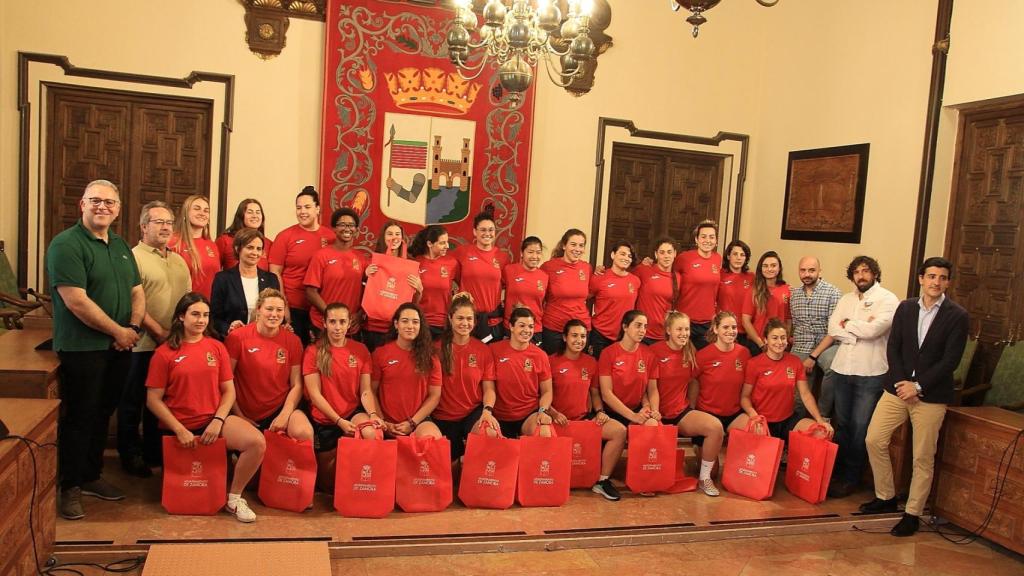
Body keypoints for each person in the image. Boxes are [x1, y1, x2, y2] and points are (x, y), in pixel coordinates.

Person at [47, 179, 144, 520]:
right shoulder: (65, 245)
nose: (103, 207)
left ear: (118, 209)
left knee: (104, 412)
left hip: (119, 346)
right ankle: (69, 486)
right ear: (82, 205)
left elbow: (136, 291)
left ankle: (91, 475)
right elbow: (77, 301)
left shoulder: (118, 245)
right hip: (83, 348)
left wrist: (131, 328)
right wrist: (119, 331)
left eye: (109, 203)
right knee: (80, 417)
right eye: (96, 201)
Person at [861, 257, 969, 537]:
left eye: (942, 277)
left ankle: (912, 513)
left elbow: (950, 361)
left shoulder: (957, 315)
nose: (936, 282)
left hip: (930, 395)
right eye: (931, 276)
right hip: (897, 389)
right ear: (921, 278)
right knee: (874, 439)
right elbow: (893, 347)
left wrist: (917, 386)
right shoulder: (906, 308)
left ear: (947, 282)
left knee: (922, 457)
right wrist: (902, 382)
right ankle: (885, 497)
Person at [145, 292, 266, 523]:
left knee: (256, 442)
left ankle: (234, 498)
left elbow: (229, 391)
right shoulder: (164, 353)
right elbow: (153, 399)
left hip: (213, 421)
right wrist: (179, 430)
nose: (201, 320)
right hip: (180, 427)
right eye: (195, 314)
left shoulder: (216, 347)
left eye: (206, 315)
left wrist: (218, 420)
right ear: (181, 316)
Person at [118, 201, 191, 479]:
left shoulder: (178, 259)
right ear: (144, 226)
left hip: (172, 345)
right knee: (132, 400)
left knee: (160, 401)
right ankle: (130, 454)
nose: (165, 227)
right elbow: (131, 300)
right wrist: (158, 330)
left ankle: (152, 450)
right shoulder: (133, 257)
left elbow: (187, 299)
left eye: (169, 222)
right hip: (143, 344)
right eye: (158, 222)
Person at [824, 255, 900, 498]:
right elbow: (832, 329)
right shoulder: (846, 299)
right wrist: (856, 327)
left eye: (866, 271)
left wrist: (849, 324)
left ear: (874, 273)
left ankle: (851, 478)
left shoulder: (888, 299)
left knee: (860, 428)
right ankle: (836, 474)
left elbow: (876, 330)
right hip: (843, 369)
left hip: (870, 373)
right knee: (843, 425)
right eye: (857, 272)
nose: (861, 275)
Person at [547, 319, 625, 501]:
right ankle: (547, 481)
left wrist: (600, 412)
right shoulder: (551, 361)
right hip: (556, 420)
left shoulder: (590, 362)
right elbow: (541, 396)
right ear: (565, 337)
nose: (579, 340)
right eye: (574, 335)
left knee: (619, 431)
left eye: (583, 336)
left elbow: (595, 393)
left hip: (583, 420)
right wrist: (553, 414)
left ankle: (603, 481)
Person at [302, 303, 377, 491]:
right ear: (324, 323)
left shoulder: (360, 350)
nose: (337, 327)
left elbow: (366, 391)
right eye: (333, 322)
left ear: (349, 323)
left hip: (352, 412)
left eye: (342, 322)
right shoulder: (313, 351)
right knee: (326, 485)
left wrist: (374, 414)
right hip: (326, 419)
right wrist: (338, 421)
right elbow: (314, 394)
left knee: (371, 433)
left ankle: (359, 486)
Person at [649, 311, 725, 496]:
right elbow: (648, 387)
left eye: (687, 329)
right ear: (668, 330)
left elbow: (693, 382)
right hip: (656, 412)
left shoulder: (690, 351)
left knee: (716, 428)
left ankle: (704, 478)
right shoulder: (654, 351)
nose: (684, 333)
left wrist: (689, 407)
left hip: (680, 413)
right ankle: (648, 478)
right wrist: (653, 411)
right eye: (679, 329)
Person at [224, 288, 313, 443]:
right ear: (258, 310)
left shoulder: (293, 341)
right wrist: (239, 415)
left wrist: (285, 414)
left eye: (279, 310)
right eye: (269, 309)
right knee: (256, 445)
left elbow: (297, 385)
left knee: (304, 432)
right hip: (243, 412)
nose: (274, 314)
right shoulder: (237, 337)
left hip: (279, 409)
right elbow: (226, 381)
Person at [730, 319, 834, 445]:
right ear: (766, 340)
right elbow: (744, 397)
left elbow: (805, 395)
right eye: (774, 338)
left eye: (783, 338)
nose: (779, 342)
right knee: (755, 439)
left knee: (821, 432)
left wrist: (820, 420)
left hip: (787, 420)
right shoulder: (754, 364)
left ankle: (789, 453)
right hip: (762, 420)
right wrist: (754, 416)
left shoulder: (795, 362)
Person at [433, 294, 498, 461]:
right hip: (443, 416)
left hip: (471, 413)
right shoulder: (436, 349)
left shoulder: (483, 350)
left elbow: (489, 388)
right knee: (452, 472)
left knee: (489, 433)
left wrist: (487, 411)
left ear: (475, 321)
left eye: (469, 318)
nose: (465, 323)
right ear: (450, 318)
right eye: (460, 318)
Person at [366, 303, 444, 438]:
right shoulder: (380, 354)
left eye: (415, 322)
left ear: (420, 326)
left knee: (433, 438)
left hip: (417, 422)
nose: (410, 326)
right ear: (396, 324)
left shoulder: (431, 357)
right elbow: (371, 391)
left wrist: (412, 423)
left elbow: (434, 396)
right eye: (405, 321)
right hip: (386, 422)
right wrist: (383, 421)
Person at [270, 186, 335, 346]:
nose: (302, 212)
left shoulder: (331, 237)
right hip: (293, 306)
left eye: (307, 207)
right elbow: (275, 272)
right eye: (298, 208)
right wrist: (282, 305)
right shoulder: (285, 236)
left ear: (317, 209)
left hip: (320, 308)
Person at [303, 206, 369, 343]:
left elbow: (372, 290)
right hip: (322, 325)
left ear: (356, 230)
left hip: (350, 327)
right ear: (334, 228)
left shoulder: (361, 258)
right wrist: (332, 315)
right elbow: (311, 292)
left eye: (351, 225)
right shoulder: (321, 256)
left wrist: (360, 314)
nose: (347, 228)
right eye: (342, 224)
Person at [691, 311, 751, 457]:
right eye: (726, 327)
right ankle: (699, 447)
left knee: (756, 428)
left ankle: (738, 467)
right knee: (711, 473)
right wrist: (692, 410)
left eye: (734, 327)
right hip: (708, 414)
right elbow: (693, 382)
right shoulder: (703, 355)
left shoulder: (744, 353)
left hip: (733, 415)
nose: (731, 331)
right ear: (716, 329)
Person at [789, 256, 841, 418]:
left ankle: (823, 415)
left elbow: (833, 332)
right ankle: (797, 423)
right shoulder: (794, 295)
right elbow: (795, 325)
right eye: (803, 270)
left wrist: (813, 356)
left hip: (827, 345)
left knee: (832, 366)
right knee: (795, 384)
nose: (807, 274)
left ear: (819, 271)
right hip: (801, 345)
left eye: (811, 270)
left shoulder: (833, 293)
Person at [490, 307, 554, 438]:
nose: (527, 330)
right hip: (499, 416)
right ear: (511, 327)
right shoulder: (493, 350)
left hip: (528, 415)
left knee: (545, 433)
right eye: (522, 325)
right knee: (488, 434)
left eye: (531, 326)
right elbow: (487, 387)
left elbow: (547, 391)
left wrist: (542, 411)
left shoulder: (540, 355)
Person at [363, 220, 422, 351]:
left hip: (397, 327)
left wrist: (419, 290)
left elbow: (413, 303)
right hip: (372, 325)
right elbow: (363, 293)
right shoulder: (373, 262)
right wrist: (365, 276)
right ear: (383, 237)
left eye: (397, 234)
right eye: (390, 234)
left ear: (402, 238)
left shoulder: (410, 265)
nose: (394, 238)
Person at [210, 228, 280, 337]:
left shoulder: (271, 279)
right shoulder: (223, 279)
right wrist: (229, 327)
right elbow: (214, 318)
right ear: (238, 249)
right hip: (233, 339)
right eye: (250, 247)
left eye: (258, 249)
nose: (255, 253)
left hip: (264, 340)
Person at [452, 206, 508, 342]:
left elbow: (507, 286)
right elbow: (454, 278)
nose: (487, 233)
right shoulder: (462, 253)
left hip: (492, 322)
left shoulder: (502, 257)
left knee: (489, 360)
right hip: (466, 321)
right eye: (482, 230)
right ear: (474, 232)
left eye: (491, 230)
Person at [598, 310, 659, 428]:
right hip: (613, 413)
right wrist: (632, 416)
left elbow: (652, 390)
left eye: (645, 327)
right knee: (618, 430)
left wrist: (652, 410)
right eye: (638, 326)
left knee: (652, 424)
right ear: (625, 327)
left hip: (637, 410)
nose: (642, 330)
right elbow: (606, 393)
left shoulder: (649, 355)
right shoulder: (608, 353)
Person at [540, 228, 591, 354]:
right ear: (564, 245)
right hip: (554, 328)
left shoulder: (587, 268)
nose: (577, 249)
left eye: (581, 245)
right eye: (573, 244)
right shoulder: (548, 267)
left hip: (581, 329)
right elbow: (539, 295)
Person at [673, 220, 722, 349]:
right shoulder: (684, 258)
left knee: (702, 361)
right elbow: (667, 272)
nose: (707, 240)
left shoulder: (718, 259)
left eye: (712, 237)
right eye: (703, 236)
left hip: (707, 322)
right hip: (685, 321)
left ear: (716, 240)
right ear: (696, 239)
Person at [169, 195, 221, 299]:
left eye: (206, 211)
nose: (202, 213)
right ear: (186, 213)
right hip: (184, 306)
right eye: (197, 209)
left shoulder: (211, 245)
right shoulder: (173, 242)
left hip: (209, 308)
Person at [409, 225, 457, 337]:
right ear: (430, 244)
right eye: (442, 243)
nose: (447, 246)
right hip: (420, 324)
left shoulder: (452, 263)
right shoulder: (414, 264)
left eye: (447, 242)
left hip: (444, 325)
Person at [741, 251, 791, 352]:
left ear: (779, 268)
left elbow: (789, 321)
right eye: (765, 266)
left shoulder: (788, 290)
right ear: (761, 269)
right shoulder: (753, 291)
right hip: (757, 344)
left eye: (773, 265)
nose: (769, 269)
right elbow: (745, 321)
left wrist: (783, 341)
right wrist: (760, 343)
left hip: (779, 344)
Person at [503, 236, 549, 344]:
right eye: (530, 252)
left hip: (535, 328)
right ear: (522, 253)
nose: (535, 256)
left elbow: (546, 302)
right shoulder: (509, 270)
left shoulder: (544, 276)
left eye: (538, 252)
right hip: (512, 327)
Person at [634, 237, 679, 346]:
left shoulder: (678, 277)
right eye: (662, 252)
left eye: (669, 252)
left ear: (675, 254)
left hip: (664, 335)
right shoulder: (643, 270)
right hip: (642, 334)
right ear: (656, 254)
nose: (666, 256)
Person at [718, 240, 755, 352]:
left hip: (745, 332)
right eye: (735, 254)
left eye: (742, 255)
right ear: (728, 256)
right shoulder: (719, 275)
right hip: (723, 330)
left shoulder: (752, 278)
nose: (739, 258)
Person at [216, 198, 272, 270]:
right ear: (241, 215)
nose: (255, 216)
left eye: (258, 212)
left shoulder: (268, 244)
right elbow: (214, 269)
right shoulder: (225, 240)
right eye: (250, 212)